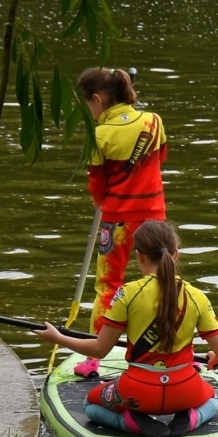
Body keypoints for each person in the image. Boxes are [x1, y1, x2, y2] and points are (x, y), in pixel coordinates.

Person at [35, 220, 218, 437]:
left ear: (139, 256)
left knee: (91, 404)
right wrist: (215, 356)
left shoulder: (127, 293)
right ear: (176, 255)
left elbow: (99, 349)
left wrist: (58, 337)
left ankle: (132, 422)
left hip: (137, 393)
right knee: (212, 400)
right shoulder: (197, 297)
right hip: (184, 390)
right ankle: (191, 419)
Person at [75, 66, 167, 378]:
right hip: (155, 218)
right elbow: (161, 157)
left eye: (88, 103)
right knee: (161, 282)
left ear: (98, 100)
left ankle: (93, 359)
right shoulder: (153, 121)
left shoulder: (98, 136)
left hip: (115, 222)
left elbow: (97, 186)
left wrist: (103, 200)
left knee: (107, 286)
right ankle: (164, 350)